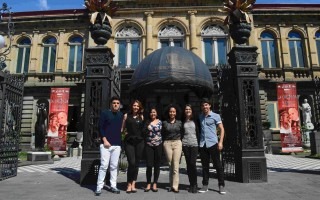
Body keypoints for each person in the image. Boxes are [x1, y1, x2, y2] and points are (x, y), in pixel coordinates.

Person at [95, 96, 123, 196]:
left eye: (117, 103)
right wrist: (104, 140)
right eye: (114, 103)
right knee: (104, 165)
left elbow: (121, 128)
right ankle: (99, 187)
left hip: (117, 144)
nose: (116, 105)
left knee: (114, 166)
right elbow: (100, 127)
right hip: (106, 144)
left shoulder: (121, 115)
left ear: (119, 105)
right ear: (111, 104)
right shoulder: (105, 113)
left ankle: (113, 185)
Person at [198, 98, 226, 195]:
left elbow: (222, 129)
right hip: (203, 144)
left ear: (209, 105)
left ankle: (221, 185)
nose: (204, 107)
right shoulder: (200, 116)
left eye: (206, 105)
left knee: (218, 166)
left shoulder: (215, 116)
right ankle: (205, 185)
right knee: (205, 166)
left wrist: (220, 142)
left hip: (213, 144)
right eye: (203, 105)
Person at [122, 100, 145, 193]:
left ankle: (133, 183)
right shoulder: (126, 116)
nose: (136, 107)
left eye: (137, 106)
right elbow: (122, 129)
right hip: (129, 142)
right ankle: (128, 183)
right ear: (132, 106)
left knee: (136, 163)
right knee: (131, 162)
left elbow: (143, 130)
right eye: (134, 105)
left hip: (139, 142)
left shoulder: (141, 117)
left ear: (139, 107)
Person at [161, 104, 183, 193]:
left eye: (173, 111)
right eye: (170, 111)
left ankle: (175, 186)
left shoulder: (180, 122)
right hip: (167, 143)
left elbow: (183, 132)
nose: (172, 113)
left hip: (177, 143)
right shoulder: (164, 123)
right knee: (170, 165)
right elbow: (162, 133)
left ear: (176, 113)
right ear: (168, 112)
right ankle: (170, 185)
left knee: (176, 165)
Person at [144, 107, 163, 192]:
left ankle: (155, 183)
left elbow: (164, 133)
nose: (153, 114)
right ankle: (148, 183)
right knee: (149, 165)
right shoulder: (147, 122)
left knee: (157, 165)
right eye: (151, 112)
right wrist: (146, 129)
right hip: (149, 145)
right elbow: (143, 132)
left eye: (154, 112)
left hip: (158, 145)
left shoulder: (160, 122)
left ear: (157, 113)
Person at [182, 104, 199, 193]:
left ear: (191, 111)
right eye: (186, 109)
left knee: (193, 163)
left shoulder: (195, 120)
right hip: (185, 145)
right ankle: (191, 184)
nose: (188, 110)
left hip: (194, 144)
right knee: (188, 165)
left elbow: (199, 131)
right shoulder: (183, 121)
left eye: (189, 109)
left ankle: (195, 184)